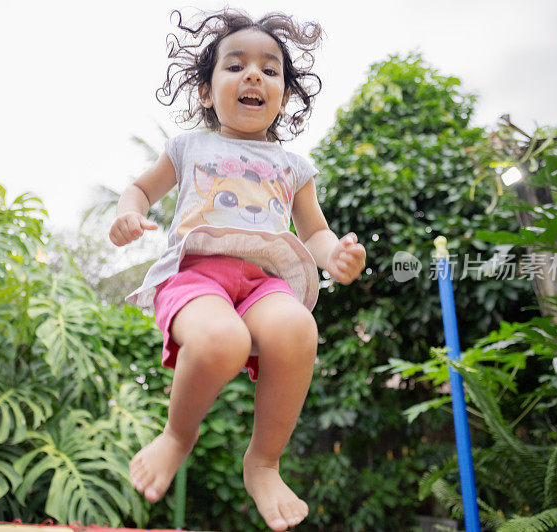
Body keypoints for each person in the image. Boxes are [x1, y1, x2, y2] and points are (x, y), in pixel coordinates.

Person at [109, 8, 366, 531]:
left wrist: (335, 253)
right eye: (236, 66)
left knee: (298, 327)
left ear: (285, 97)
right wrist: (128, 213)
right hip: (196, 274)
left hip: (263, 282)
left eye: (270, 71)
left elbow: (313, 232)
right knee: (221, 341)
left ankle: (264, 461)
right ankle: (178, 435)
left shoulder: (294, 166)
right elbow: (139, 188)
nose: (254, 75)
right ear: (207, 91)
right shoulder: (188, 147)